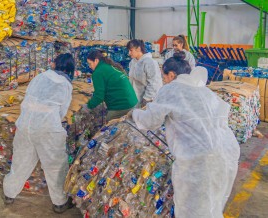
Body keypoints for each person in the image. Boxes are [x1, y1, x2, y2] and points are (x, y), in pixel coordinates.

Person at [128, 52, 240, 217]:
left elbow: (151, 120)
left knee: (191, 209)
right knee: (212, 206)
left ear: (171, 75)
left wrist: (134, 114)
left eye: (164, 76)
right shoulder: (204, 91)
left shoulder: (171, 89)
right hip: (225, 155)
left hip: (198, 161)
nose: (164, 80)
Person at [3, 53, 75, 213]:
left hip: (25, 124)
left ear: (55, 64)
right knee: (55, 166)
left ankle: (9, 193)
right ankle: (59, 202)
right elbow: (62, 111)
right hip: (47, 129)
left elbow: (28, 97)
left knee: (21, 161)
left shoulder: (40, 77)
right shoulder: (65, 84)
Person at [82, 50, 138, 121]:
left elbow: (99, 96)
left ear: (96, 60)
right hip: (133, 102)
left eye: (90, 64)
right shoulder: (110, 66)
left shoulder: (98, 72)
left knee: (109, 125)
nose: (89, 66)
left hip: (122, 105)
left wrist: (88, 106)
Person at [127, 39, 163, 107]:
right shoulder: (132, 62)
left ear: (138, 49)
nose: (129, 53)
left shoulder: (149, 62)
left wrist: (147, 99)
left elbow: (154, 83)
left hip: (148, 100)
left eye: (131, 50)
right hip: (135, 99)